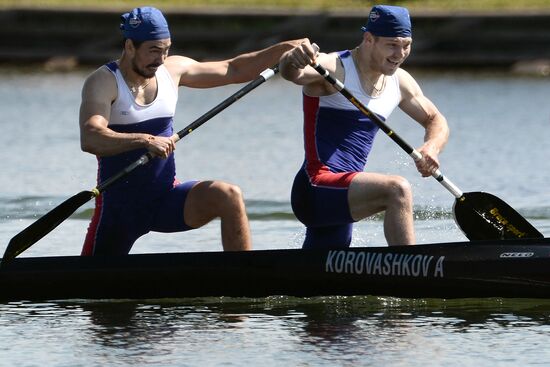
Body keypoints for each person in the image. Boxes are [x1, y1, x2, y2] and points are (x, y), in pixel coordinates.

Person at [79, 6, 305, 256]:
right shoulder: (103, 82)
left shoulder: (172, 71)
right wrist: (145, 140)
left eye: (166, 50)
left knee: (227, 195)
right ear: (130, 46)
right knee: (85, 288)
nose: (161, 59)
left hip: (165, 199)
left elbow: (234, 69)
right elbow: (91, 137)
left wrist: (284, 49)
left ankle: (243, 276)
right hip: (119, 209)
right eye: (153, 50)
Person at [279, 5, 449, 249]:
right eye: (392, 44)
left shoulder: (399, 82)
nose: (400, 54)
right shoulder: (334, 68)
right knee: (397, 190)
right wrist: (292, 59)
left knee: (322, 279)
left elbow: (435, 119)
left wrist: (432, 147)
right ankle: (413, 277)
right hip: (316, 187)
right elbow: (292, 73)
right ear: (369, 39)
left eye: (406, 45)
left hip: (344, 191)